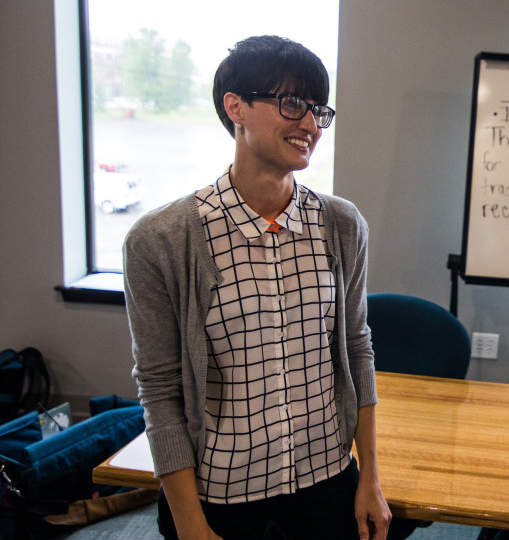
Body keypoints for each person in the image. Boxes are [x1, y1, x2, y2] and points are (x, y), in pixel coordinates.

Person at [123, 35, 391, 540]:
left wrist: (370, 478)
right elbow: (159, 390)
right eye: (292, 104)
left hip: (326, 482)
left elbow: (358, 350)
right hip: (218, 496)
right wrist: (189, 523)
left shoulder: (341, 224)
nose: (310, 124)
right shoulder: (160, 240)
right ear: (236, 107)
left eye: (318, 111)